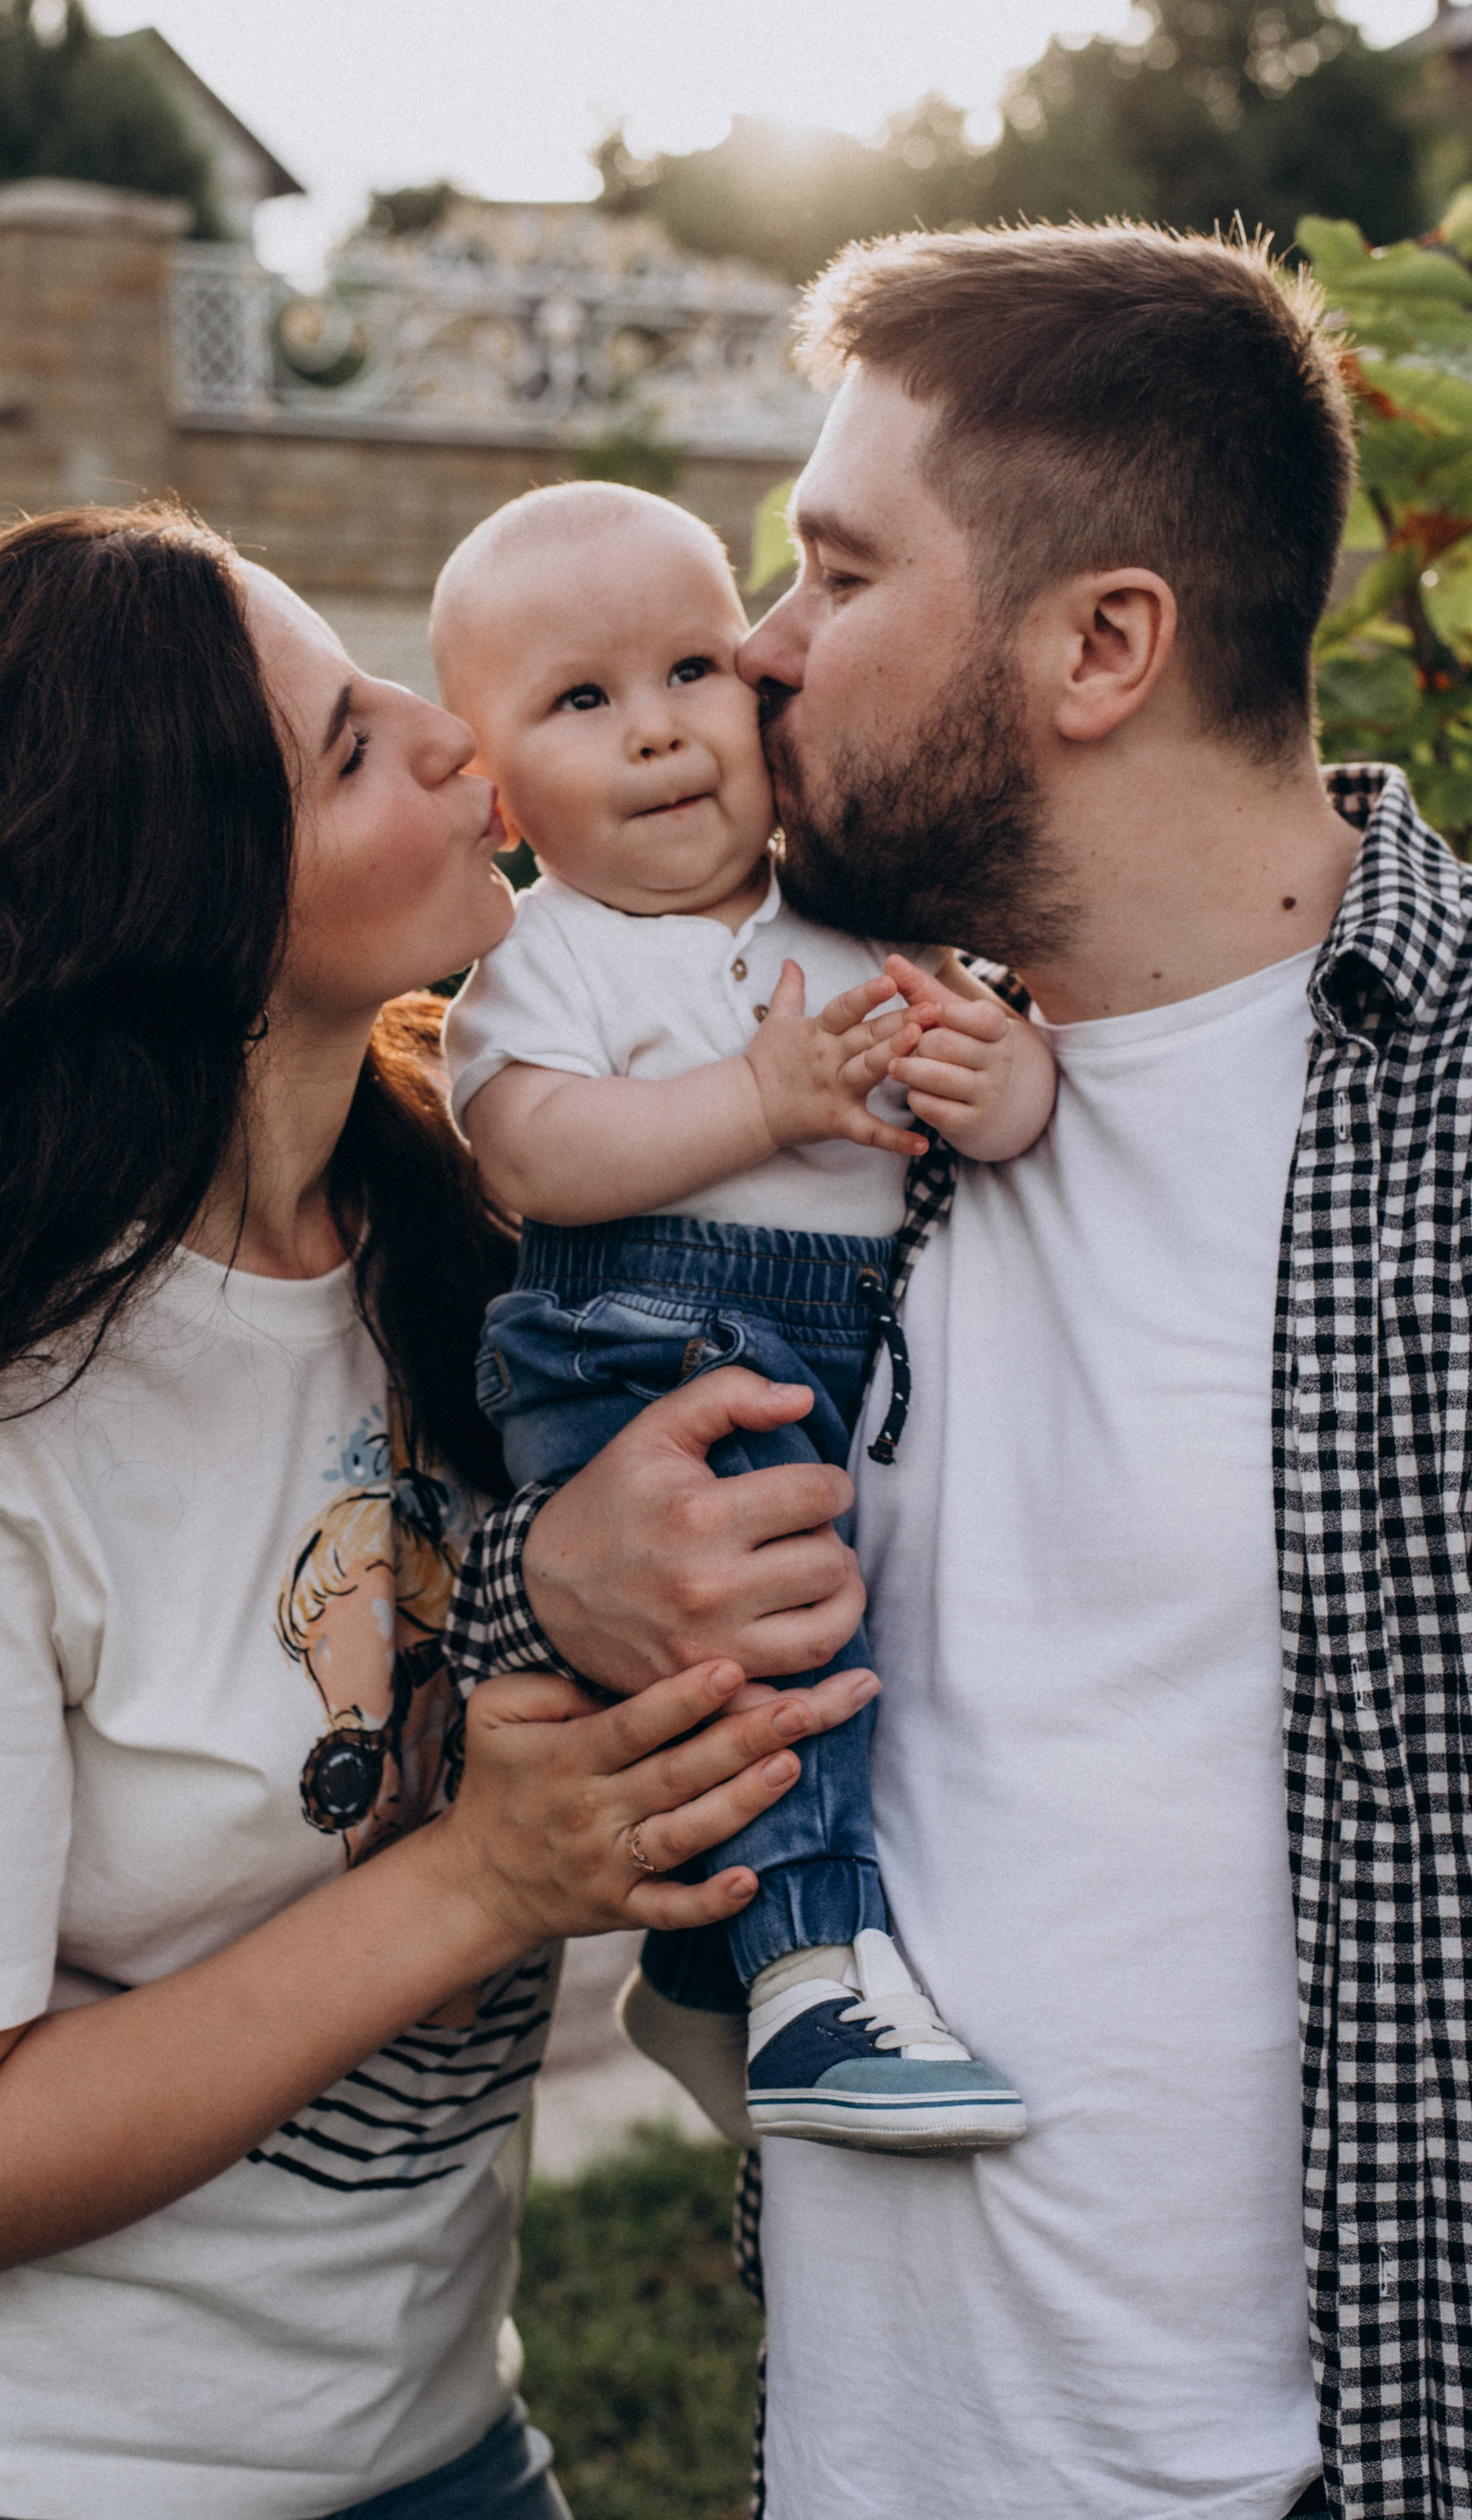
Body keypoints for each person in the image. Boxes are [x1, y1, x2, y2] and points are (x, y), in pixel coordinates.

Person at [443, 224, 1472, 2520]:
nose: (758, 648)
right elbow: (528, 1533)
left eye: (834, 572)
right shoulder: (810, 1057)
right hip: (863, 2459)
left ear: (1103, 643)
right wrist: (552, 1572)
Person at [0, 506, 872, 2520]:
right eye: (353, 744)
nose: (460, 738)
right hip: (5, 2482)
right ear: (189, 901)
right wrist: (481, 1884)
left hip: (446, 2443)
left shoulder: (479, 1251)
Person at [432, 479, 1050, 2155]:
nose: (655, 732)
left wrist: (1000, 1080)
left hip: (848, 1349)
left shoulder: (848, 917)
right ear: (497, 793)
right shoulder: (546, 955)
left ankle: (703, 1979)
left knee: (853, 1631)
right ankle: (810, 1981)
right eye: (581, 698)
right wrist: (758, 1098)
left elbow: (989, 1074)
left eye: (690, 670)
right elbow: (534, 1155)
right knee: (775, 1636)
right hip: (637, 1351)